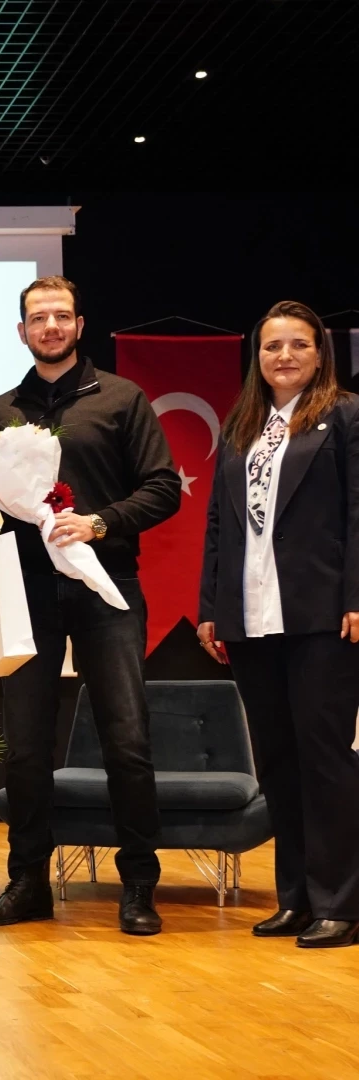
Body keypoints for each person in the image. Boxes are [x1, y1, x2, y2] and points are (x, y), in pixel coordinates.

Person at [0, 276, 180, 935]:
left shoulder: (120, 398)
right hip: (26, 593)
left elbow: (163, 488)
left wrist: (99, 523)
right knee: (25, 745)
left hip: (104, 586)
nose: (49, 326)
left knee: (126, 738)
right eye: (37, 317)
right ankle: (27, 882)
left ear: (79, 324)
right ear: (21, 331)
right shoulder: (1, 409)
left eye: (60, 316)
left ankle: (137, 884)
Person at [198, 301, 359, 949]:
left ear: (319, 354)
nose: (283, 356)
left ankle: (340, 903)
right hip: (250, 617)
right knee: (278, 763)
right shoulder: (243, 427)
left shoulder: (344, 416)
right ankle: (293, 897)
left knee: (324, 761)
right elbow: (216, 525)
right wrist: (210, 605)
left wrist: (356, 593)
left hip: (321, 614)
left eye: (297, 345)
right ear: (256, 358)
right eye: (271, 346)